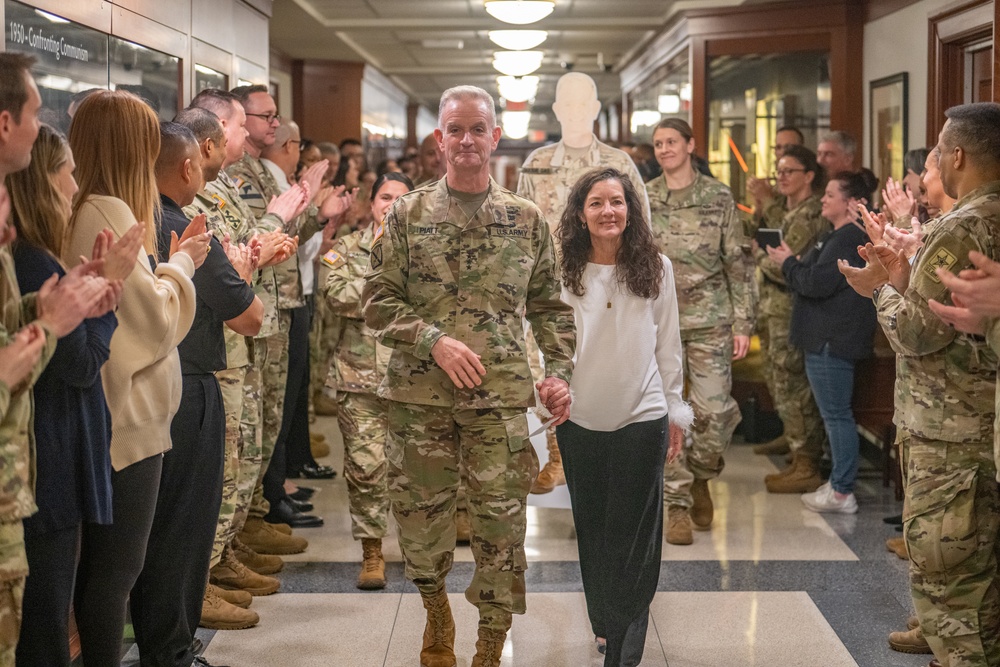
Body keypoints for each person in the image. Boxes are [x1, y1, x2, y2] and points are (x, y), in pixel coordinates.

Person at [362, 85, 575, 667]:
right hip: (420, 400)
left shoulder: (525, 220)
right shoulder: (407, 215)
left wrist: (556, 374)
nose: (465, 140)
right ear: (439, 139)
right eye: (454, 129)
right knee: (421, 524)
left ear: (494, 137)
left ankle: (489, 638)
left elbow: (550, 309)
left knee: (501, 528)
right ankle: (436, 610)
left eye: (477, 129)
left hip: (499, 401)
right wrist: (433, 340)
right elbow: (376, 299)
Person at [844, 102, 1000, 667]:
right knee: (969, 560)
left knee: (950, 563)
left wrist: (881, 289)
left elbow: (918, 331)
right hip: (978, 420)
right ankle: (941, 636)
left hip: (951, 424)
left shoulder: (963, 225)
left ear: (958, 154)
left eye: (940, 147)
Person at [63, 89, 209, 667]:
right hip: (126, 420)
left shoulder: (91, 206)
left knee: (106, 570)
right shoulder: (110, 211)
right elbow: (156, 321)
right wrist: (183, 263)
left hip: (116, 415)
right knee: (116, 570)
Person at [127, 121, 262, 666]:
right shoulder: (186, 228)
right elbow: (249, 317)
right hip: (190, 388)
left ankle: (161, 645)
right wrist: (244, 268)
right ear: (189, 167)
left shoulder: (136, 223)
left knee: (152, 528)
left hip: (144, 392)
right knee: (183, 528)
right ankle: (172, 651)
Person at [555, 167, 691, 666]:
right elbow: (547, 343)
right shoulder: (561, 269)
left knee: (634, 536)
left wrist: (675, 409)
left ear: (630, 210)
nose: (608, 211)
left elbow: (668, 344)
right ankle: (604, 623)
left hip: (643, 415)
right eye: (596, 203)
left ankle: (624, 644)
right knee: (593, 529)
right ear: (580, 213)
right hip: (580, 419)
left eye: (617, 201)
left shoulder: (656, 266)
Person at [7, 123, 128, 667]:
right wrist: (105, 307)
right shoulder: (34, 262)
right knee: (44, 627)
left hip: (46, 460)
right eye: (68, 172)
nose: (74, 185)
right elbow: (78, 364)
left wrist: (91, 296)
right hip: (44, 464)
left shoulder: (38, 259)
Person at [517, 72, 650, 495]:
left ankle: (602, 454)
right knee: (544, 365)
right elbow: (522, 227)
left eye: (583, 105)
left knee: (599, 367)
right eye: (567, 106)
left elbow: (639, 223)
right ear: (556, 111)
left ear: (595, 110)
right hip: (549, 283)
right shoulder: (536, 162)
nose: (575, 113)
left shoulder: (619, 164)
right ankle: (558, 453)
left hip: (606, 282)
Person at [645, 118, 756, 545]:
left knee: (714, 411)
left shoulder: (717, 197)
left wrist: (743, 322)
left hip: (711, 318)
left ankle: (702, 476)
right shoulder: (646, 197)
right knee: (664, 412)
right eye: (658, 144)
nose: (664, 149)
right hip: (657, 322)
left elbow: (737, 263)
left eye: (672, 142)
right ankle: (676, 503)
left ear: (690, 145)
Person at [766, 171, 877, 514]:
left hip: (833, 339)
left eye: (830, 195)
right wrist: (793, 263)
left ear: (851, 203)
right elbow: (811, 272)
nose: (823, 200)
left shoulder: (848, 239)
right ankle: (838, 485)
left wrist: (787, 264)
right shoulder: (834, 235)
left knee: (836, 416)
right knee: (833, 415)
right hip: (825, 338)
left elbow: (815, 283)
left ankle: (842, 491)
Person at [324, 172, 413, 590]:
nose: (391, 204)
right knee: (365, 468)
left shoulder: (426, 251)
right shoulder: (347, 248)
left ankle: (418, 550)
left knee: (414, 470)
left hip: (413, 380)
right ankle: (372, 552)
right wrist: (389, 295)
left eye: (401, 198)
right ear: (372, 203)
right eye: (384, 197)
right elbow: (335, 295)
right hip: (358, 379)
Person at [753, 144, 830, 493]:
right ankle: (796, 446)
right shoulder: (790, 210)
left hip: (792, 308)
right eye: (779, 171)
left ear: (809, 176)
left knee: (794, 385)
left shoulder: (812, 214)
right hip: (773, 308)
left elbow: (789, 264)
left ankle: (807, 461)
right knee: (779, 379)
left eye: (789, 171)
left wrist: (762, 259)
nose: (781, 178)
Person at [746, 125, 804, 237]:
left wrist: (766, 199)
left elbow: (784, 232)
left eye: (788, 147)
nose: (782, 152)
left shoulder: (809, 188)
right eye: (778, 148)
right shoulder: (777, 188)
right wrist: (759, 208)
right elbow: (754, 234)